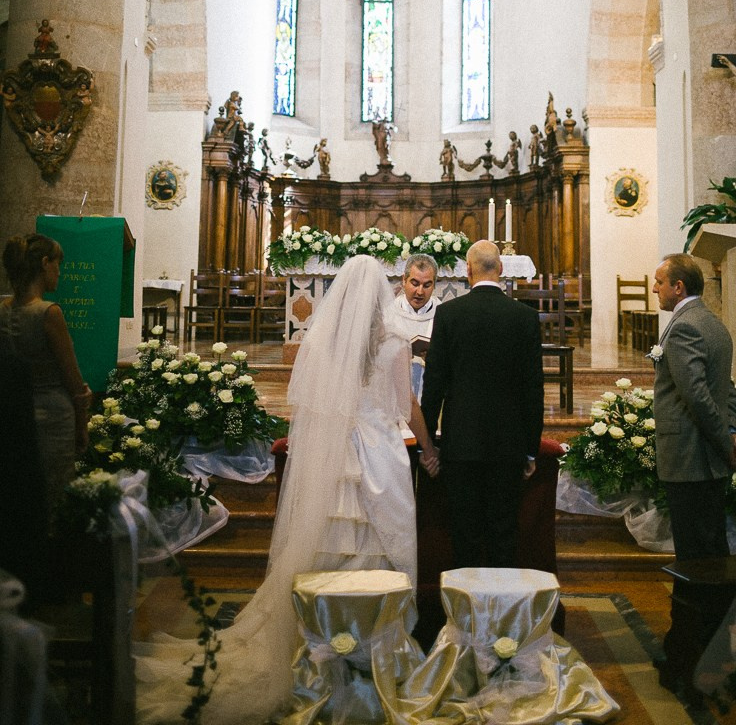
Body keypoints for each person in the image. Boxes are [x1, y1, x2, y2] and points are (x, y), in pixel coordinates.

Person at [137, 255, 439, 725]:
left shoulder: (322, 343)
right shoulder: (395, 343)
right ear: (384, 292)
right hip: (379, 454)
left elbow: (311, 406)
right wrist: (429, 448)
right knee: (374, 546)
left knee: (325, 541)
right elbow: (407, 404)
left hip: (333, 455)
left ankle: (314, 645)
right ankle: (374, 650)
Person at [651, 253, 736, 697]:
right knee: (713, 556)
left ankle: (687, 660)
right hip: (708, 458)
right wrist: (731, 432)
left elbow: (695, 395)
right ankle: (713, 649)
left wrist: (722, 441)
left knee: (695, 564)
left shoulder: (685, 326)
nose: (654, 288)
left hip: (691, 458)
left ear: (678, 287)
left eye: (659, 282)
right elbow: (726, 388)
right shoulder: (714, 323)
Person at [421, 239, 544, 568]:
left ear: (467, 270)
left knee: (465, 533)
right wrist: (531, 449)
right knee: (504, 532)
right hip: (509, 443)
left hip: (462, 443)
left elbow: (433, 384)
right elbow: (533, 389)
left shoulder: (448, 315)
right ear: (501, 269)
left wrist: (428, 444)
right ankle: (502, 615)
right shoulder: (525, 317)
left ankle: (466, 615)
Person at [0, 234, 91, 527]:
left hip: (14, 411)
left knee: (20, 496)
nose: (60, 271)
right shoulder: (49, 313)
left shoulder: (2, 310)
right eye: (57, 264)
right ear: (44, 263)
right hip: (53, 414)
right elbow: (73, 380)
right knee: (55, 497)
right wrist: (82, 423)